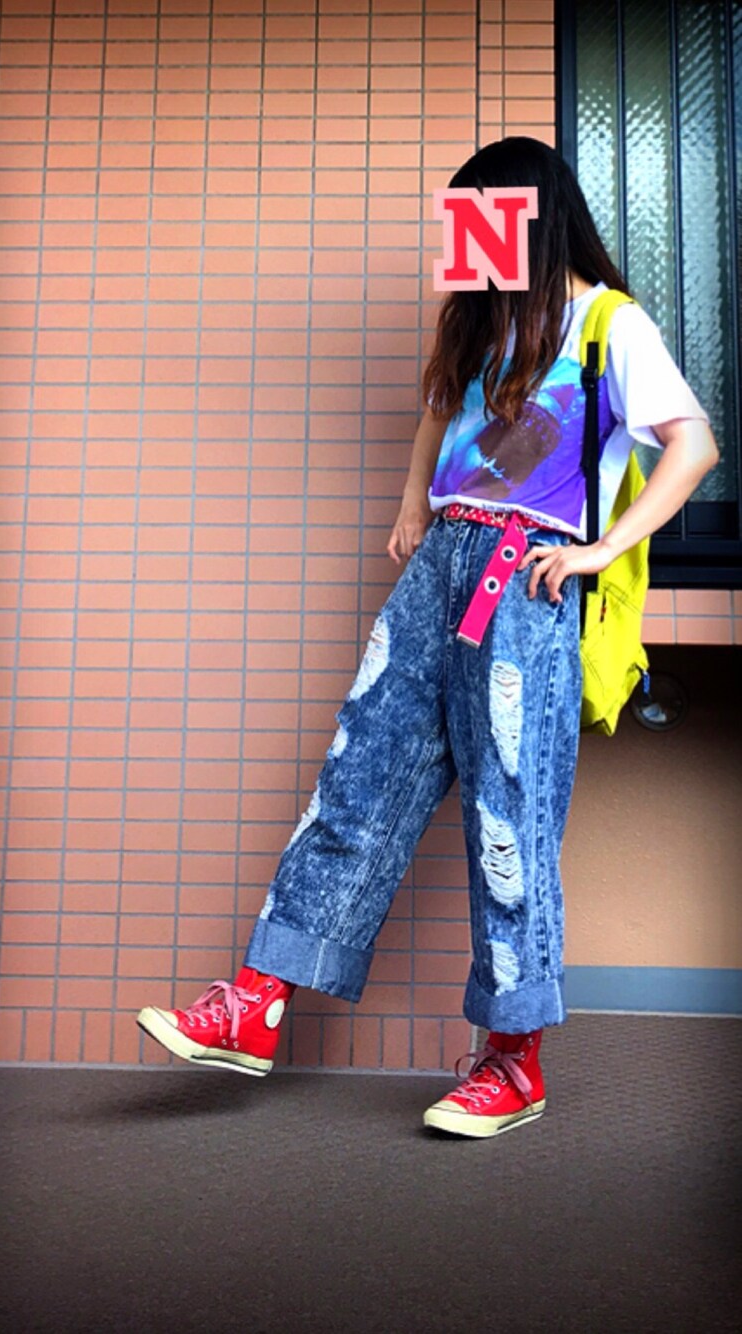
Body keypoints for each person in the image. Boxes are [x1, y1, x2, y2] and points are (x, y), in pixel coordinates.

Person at [136, 137, 719, 1137]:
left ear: (529, 216)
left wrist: (600, 548)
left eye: (482, 214)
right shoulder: (487, 321)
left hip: (524, 578)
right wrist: (415, 501)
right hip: (437, 570)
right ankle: (255, 1001)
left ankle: (513, 1060)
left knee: (508, 818)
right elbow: (441, 409)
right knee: (358, 773)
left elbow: (692, 444)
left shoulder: (607, 323)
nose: (467, 238)